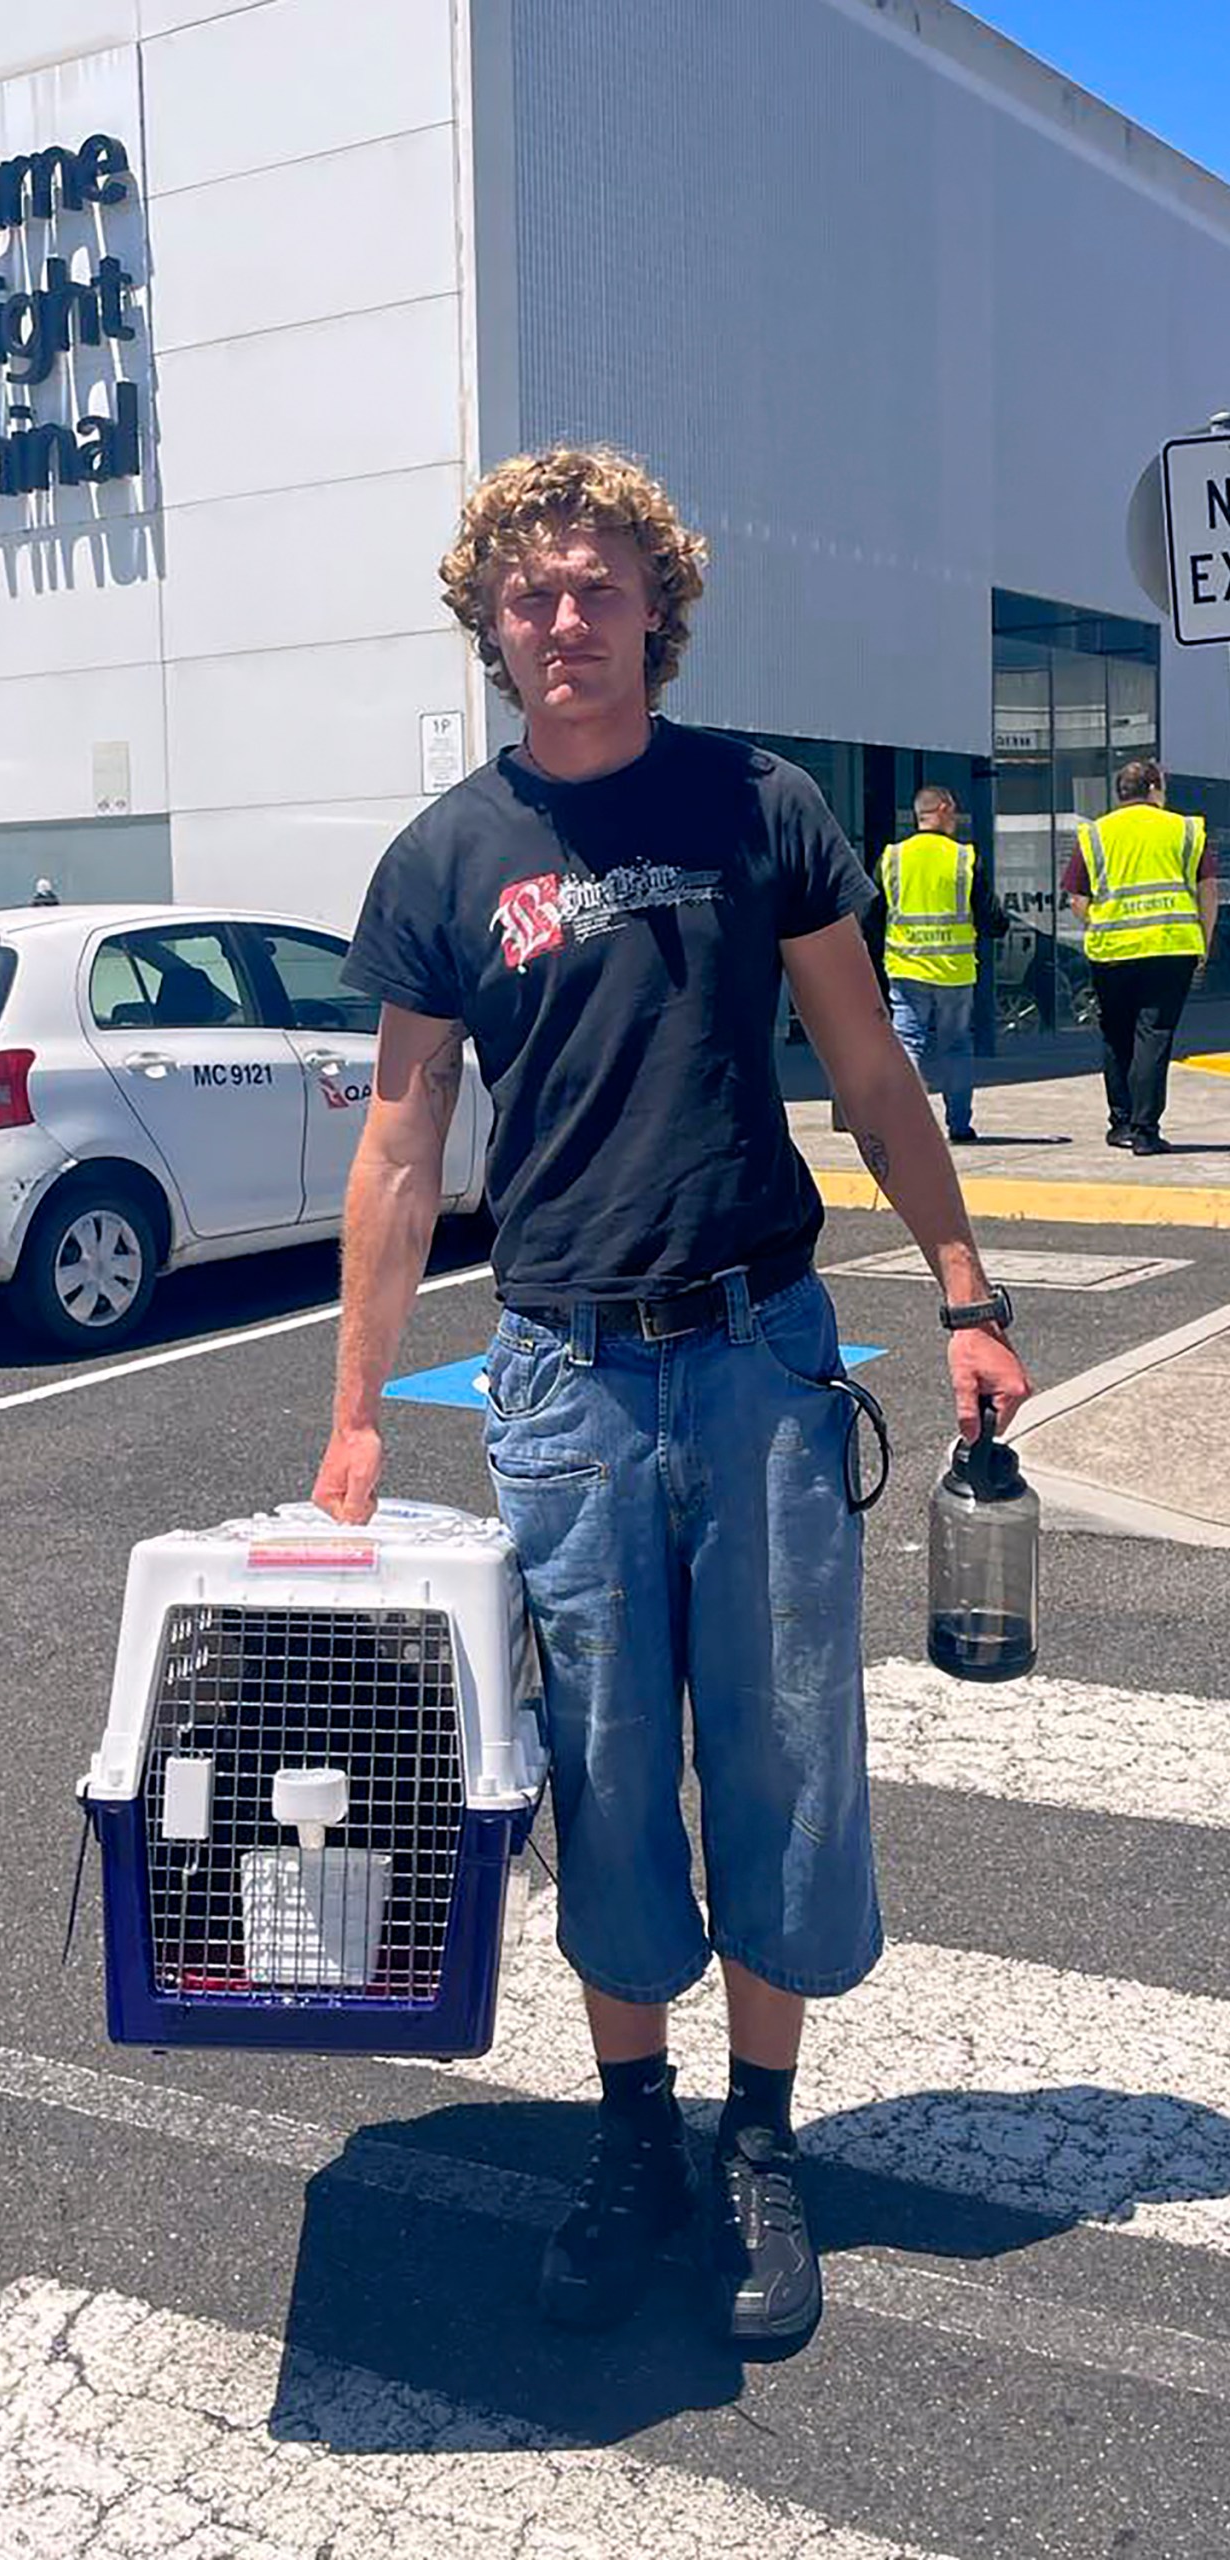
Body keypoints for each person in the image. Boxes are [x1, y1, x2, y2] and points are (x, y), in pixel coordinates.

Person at [312, 446, 1029, 2350]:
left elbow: (870, 1065)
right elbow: (399, 1144)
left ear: (656, 608)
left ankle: (763, 2140)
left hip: (759, 1353)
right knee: (610, 1776)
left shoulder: (757, 806)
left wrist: (966, 1292)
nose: (565, 621)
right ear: (493, 625)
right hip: (560, 1374)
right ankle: (637, 2135)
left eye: (597, 587)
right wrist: (360, 1412)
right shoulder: (450, 858)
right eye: (530, 595)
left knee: (784, 1759)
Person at [1060, 759, 1215, 1156]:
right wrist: (1204, 942)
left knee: (1116, 1035)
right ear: (1152, 787)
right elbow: (1208, 891)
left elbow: (1077, 898)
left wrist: (1106, 920)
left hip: (1112, 952)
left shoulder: (1096, 833)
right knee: (1154, 1035)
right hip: (1170, 947)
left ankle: (1121, 1123)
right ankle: (1146, 1131)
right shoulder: (1184, 829)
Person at [877, 785, 1007, 1144]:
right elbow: (991, 919)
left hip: (906, 967)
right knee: (956, 1046)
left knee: (908, 1041)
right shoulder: (963, 858)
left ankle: (906, 1123)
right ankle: (960, 1125)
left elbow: (872, 916)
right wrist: (1000, 925)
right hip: (954, 970)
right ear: (945, 809)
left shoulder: (893, 857)